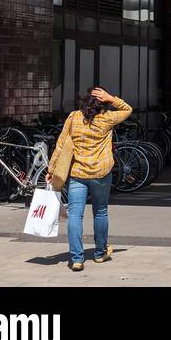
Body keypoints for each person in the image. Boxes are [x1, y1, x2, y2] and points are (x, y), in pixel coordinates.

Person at [47, 86, 132, 272]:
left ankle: (77, 259)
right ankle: (100, 253)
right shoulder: (107, 119)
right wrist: (111, 98)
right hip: (101, 173)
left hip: (78, 174)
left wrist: (52, 168)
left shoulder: (74, 117)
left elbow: (61, 145)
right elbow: (127, 109)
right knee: (100, 212)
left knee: (75, 215)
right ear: (103, 104)